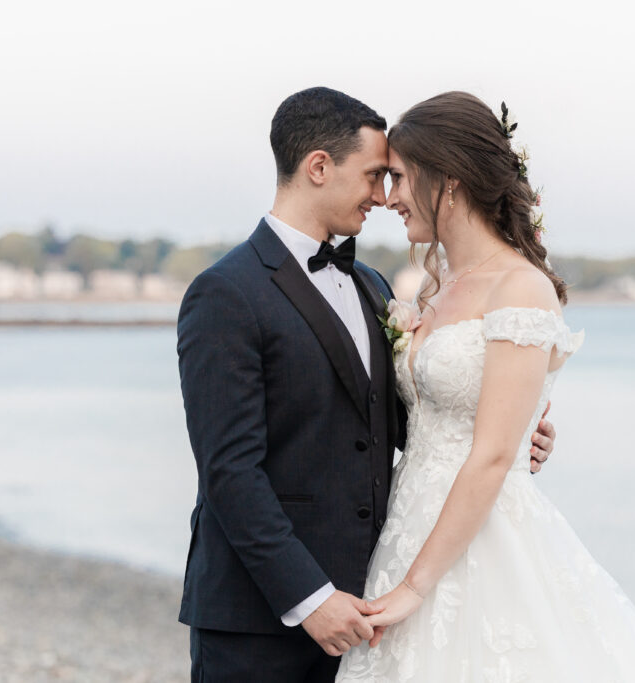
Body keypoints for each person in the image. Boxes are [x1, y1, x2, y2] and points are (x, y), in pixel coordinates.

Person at [176, 87, 556, 683]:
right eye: (375, 176)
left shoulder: (373, 287)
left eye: (393, 179)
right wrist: (308, 598)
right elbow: (228, 472)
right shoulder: (225, 293)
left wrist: (506, 432)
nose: (383, 197)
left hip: (371, 608)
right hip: (261, 616)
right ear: (319, 167)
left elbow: (403, 420)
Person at [335, 92, 635, 682]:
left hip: (481, 540)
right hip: (409, 522)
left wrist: (414, 588)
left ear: (447, 180)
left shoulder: (521, 288)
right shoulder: (433, 290)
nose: (389, 197)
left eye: (399, 178)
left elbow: (496, 452)